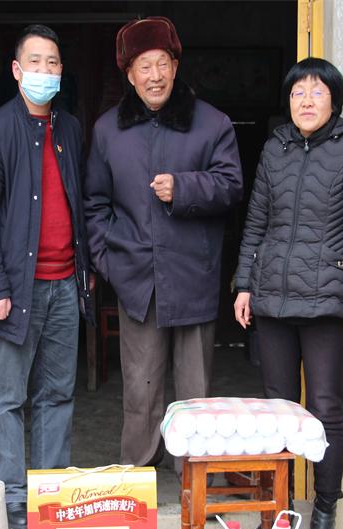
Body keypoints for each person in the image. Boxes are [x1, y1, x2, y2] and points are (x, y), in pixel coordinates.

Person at [233, 57, 343, 529]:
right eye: (298, 92)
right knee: (277, 411)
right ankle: (275, 516)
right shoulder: (274, 150)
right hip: (273, 301)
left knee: (324, 407)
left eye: (317, 92)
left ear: (333, 101)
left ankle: (324, 508)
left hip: (328, 304)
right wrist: (244, 284)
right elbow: (255, 223)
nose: (306, 100)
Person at [85, 16, 243, 468]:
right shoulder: (108, 130)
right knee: (141, 390)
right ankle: (139, 481)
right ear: (129, 74)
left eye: (162, 64)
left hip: (193, 275)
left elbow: (232, 186)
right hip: (137, 280)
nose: (154, 76)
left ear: (175, 66)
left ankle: (195, 480)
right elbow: (94, 204)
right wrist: (109, 262)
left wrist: (184, 188)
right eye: (144, 66)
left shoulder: (211, 123)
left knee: (196, 393)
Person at [0, 24, 93, 529]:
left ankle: (49, 492)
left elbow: (79, 203)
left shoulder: (70, 129)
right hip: (16, 291)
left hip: (64, 284)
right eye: (35, 62)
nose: (45, 71)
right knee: (9, 399)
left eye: (53, 62)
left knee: (57, 395)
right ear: (17, 71)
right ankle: (15, 497)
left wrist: (85, 272)